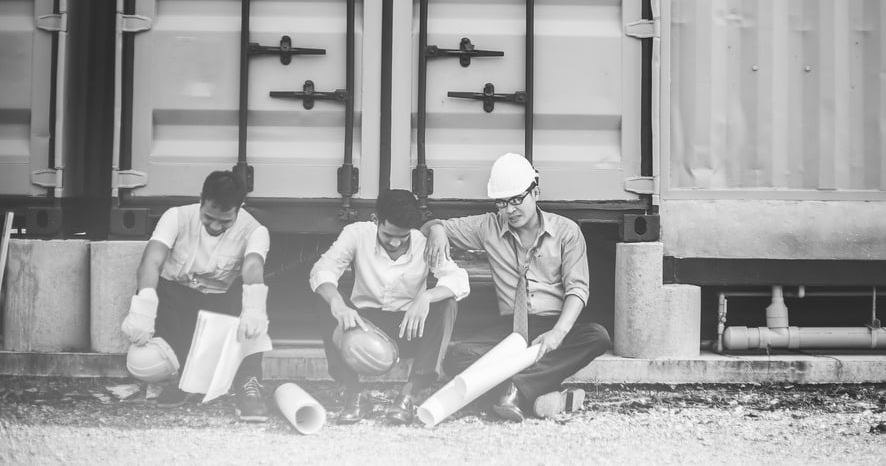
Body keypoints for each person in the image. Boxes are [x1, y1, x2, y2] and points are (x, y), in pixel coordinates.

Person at [422, 152, 611, 422]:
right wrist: (438, 230)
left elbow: (578, 289)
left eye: (516, 199)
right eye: (502, 202)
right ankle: (535, 393)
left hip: (552, 324)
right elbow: (430, 225)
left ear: (536, 192)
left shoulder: (567, 232)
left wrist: (558, 333)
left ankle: (513, 389)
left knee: (597, 336)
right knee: (455, 357)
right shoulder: (488, 226)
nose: (509, 209)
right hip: (511, 332)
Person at [120, 170, 271, 422]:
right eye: (209, 217)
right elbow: (151, 262)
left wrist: (255, 309)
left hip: (219, 302)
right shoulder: (176, 217)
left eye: (225, 221)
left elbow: (253, 267)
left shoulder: (255, 230)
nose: (215, 226)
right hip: (177, 300)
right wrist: (142, 310)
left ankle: (248, 385)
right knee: (156, 289)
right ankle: (182, 381)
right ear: (201, 200)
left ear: (239, 208)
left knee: (255, 298)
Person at [310, 189, 470, 425]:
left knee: (447, 302)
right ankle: (354, 394)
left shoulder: (423, 242)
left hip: (409, 328)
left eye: (403, 237)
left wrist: (425, 297)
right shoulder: (356, 234)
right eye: (388, 235)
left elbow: (459, 280)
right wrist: (338, 304)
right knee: (324, 297)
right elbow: (322, 270)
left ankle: (408, 396)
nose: (395, 242)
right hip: (363, 328)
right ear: (376, 220)